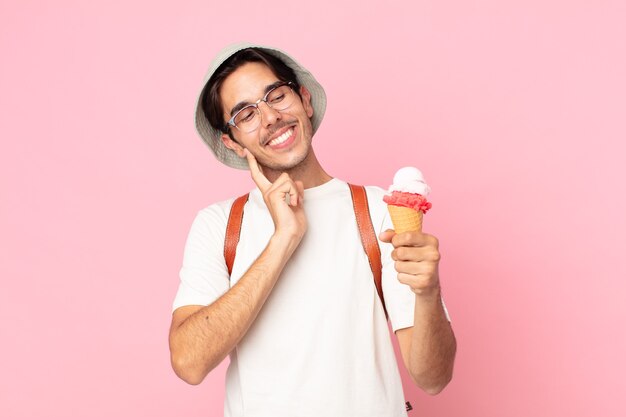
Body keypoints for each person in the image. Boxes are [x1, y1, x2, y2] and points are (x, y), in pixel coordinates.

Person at [169, 42, 456, 417]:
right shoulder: (219, 225)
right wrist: (283, 239)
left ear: (304, 100)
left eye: (276, 95)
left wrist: (428, 291)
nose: (270, 117)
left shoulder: (377, 210)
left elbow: (433, 378)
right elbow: (189, 363)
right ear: (232, 141)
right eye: (246, 114)